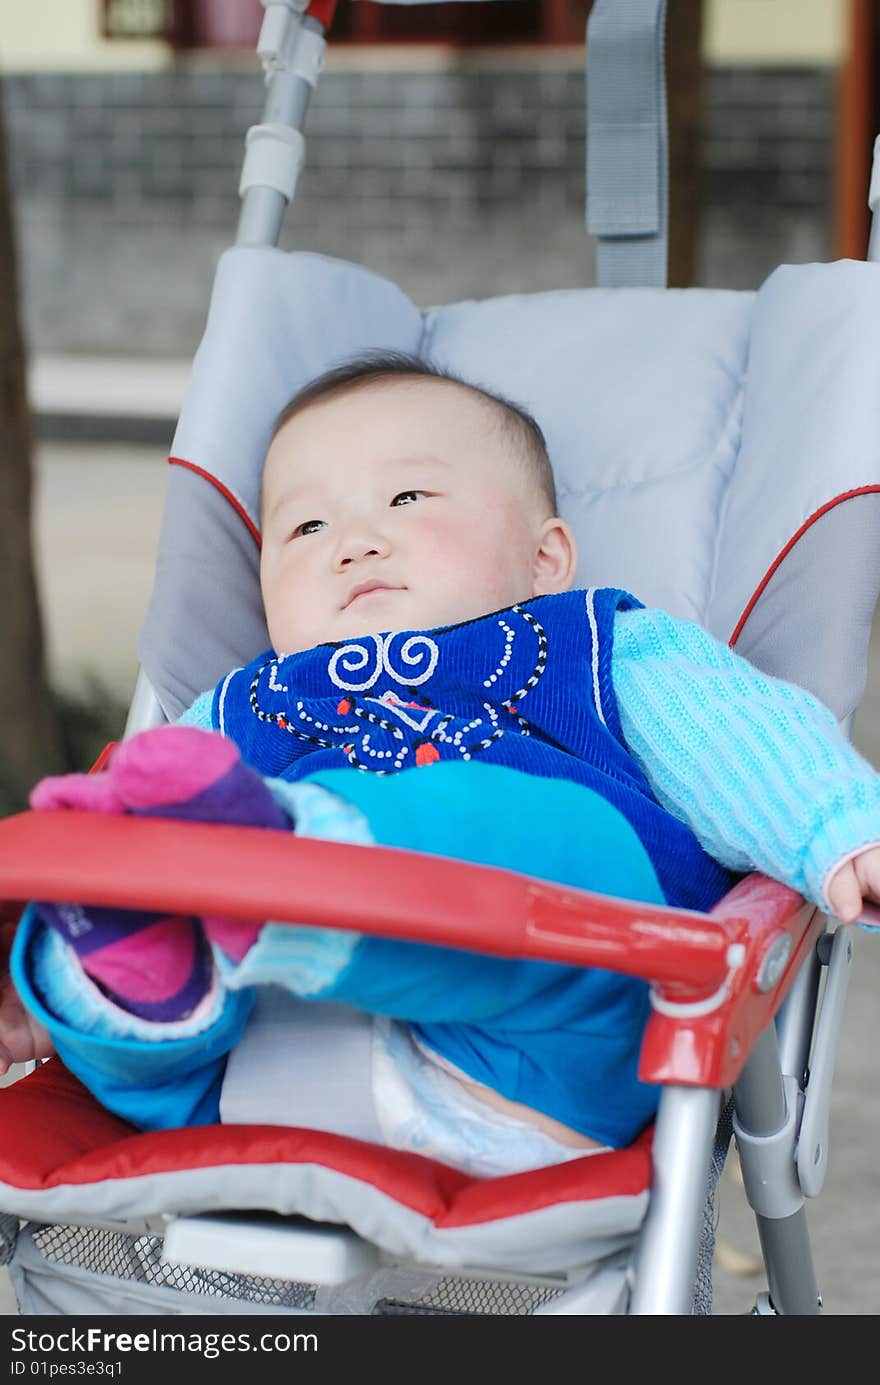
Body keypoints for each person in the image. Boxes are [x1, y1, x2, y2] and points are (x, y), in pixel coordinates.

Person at [5, 353, 880, 1178]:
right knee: (137, 852)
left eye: (406, 496)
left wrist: (840, 826)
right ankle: (129, 985)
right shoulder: (240, 705)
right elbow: (148, 836)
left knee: (562, 833)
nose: (350, 542)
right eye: (307, 524)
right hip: (245, 1079)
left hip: (530, 1057)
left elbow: (740, 737)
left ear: (546, 559)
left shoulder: (590, 646)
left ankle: (295, 871)